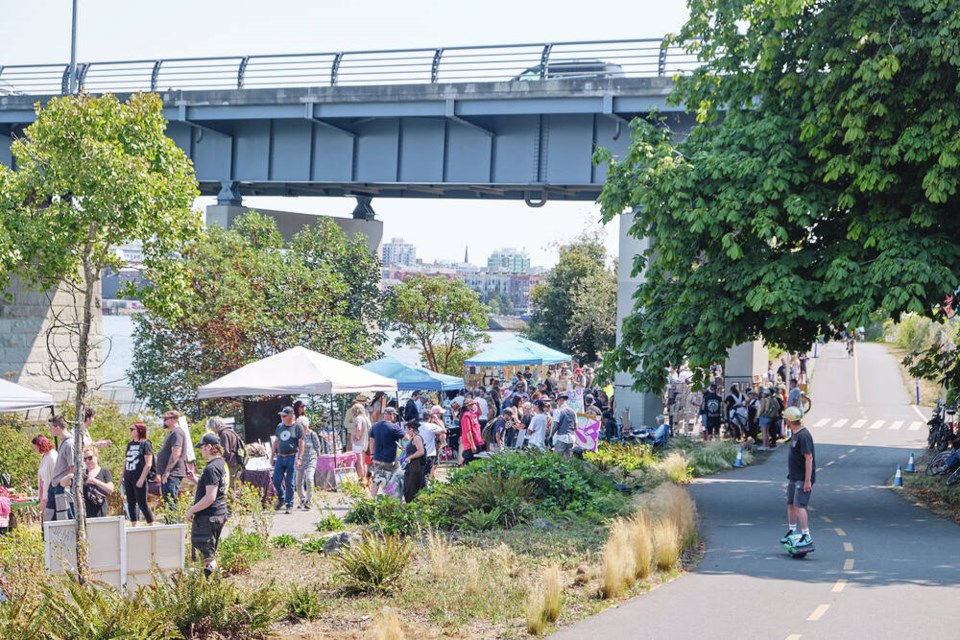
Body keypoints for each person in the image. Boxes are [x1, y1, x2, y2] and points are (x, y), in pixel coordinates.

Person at [185, 433, 229, 576]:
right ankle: (211, 585)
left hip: (208, 516)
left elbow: (210, 496)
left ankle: (210, 587)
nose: (201, 450)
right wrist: (196, 480)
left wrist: (192, 510)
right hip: (219, 512)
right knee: (210, 553)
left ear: (210, 447)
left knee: (206, 557)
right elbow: (216, 487)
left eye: (202, 447)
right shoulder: (221, 463)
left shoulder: (211, 468)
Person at [780, 407, 815, 548]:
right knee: (790, 504)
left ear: (789, 420)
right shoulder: (795, 434)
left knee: (799, 506)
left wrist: (807, 481)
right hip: (793, 477)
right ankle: (792, 531)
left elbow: (808, 458)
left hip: (802, 477)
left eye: (785, 418)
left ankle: (806, 535)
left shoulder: (804, 435)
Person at [271, 406, 304, 514]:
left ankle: (289, 504)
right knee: (276, 479)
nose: (282, 418)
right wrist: (272, 456)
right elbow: (276, 441)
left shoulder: (297, 427)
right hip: (280, 456)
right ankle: (281, 497)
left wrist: (299, 458)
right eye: (281, 416)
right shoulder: (280, 426)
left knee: (290, 482)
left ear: (290, 416)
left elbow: (301, 442)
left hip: (292, 456)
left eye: (284, 416)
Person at [123, 422, 155, 526]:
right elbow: (126, 461)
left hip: (139, 476)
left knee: (142, 503)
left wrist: (142, 479)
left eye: (132, 429)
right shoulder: (130, 444)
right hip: (128, 476)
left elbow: (148, 464)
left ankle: (151, 525)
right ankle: (134, 526)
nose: (130, 431)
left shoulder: (146, 444)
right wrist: (121, 477)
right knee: (130, 502)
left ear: (139, 431)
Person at [369, 407, 405, 497]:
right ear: (391, 415)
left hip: (377, 458)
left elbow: (371, 440)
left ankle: (371, 498)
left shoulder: (375, 426)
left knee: (377, 477)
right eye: (394, 415)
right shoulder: (394, 427)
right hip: (390, 459)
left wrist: (372, 454)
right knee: (396, 474)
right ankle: (391, 496)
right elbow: (406, 437)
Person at [157, 410, 187, 511]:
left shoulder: (177, 433)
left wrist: (167, 471)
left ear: (174, 420)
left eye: (166, 419)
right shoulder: (171, 433)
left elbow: (176, 453)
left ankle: (173, 525)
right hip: (168, 474)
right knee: (167, 502)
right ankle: (170, 524)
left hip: (173, 473)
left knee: (171, 502)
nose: (164, 421)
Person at [47, 415, 76, 521]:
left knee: (64, 516)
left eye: (51, 427)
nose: (50, 430)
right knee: (50, 516)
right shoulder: (62, 441)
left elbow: (72, 466)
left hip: (62, 485)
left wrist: (65, 484)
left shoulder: (69, 443)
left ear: (57, 427)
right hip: (55, 483)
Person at [209, 416, 243, 494]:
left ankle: (230, 504)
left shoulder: (224, 434)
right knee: (233, 485)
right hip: (235, 462)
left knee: (229, 486)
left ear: (215, 426)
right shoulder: (230, 431)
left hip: (230, 464)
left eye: (212, 428)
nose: (212, 430)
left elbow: (225, 452)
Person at [295, 411, 322, 510]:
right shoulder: (297, 435)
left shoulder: (312, 434)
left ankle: (309, 500)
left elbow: (318, 447)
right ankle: (302, 499)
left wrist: (317, 457)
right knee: (298, 482)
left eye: (304, 426)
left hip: (311, 459)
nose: (303, 428)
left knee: (309, 479)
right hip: (300, 460)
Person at [81, 446, 114, 519]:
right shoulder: (82, 474)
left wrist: (94, 481)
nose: (87, 461)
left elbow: (110, 489)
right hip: (85, 514)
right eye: (85, 459)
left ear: (97, 457)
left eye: (90, 458)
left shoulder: (104, 472)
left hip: (100, 512)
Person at [31, 435, 57, 521]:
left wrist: (45, 497)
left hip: (50, 494)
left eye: (35, 448)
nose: (35, 450)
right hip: (44, 493)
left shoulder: (52, 457)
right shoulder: (44, 456)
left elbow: (53, 480)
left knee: (49, 519)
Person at [402, 420, 426, 502]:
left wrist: (410, 457)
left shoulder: (417, 438)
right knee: (408, 487)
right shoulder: (413, 439)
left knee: (412, 487)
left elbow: (421, 451)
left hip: (416, 466)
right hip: (411, 467)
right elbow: (413, 449)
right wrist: (404, 449)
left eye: (407, 430)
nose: (406, 432)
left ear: (411, 429)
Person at [349, 403, 372, 486]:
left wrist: (357, 436)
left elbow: (358, 428)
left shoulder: (358, 418)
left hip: (358, 442)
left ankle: (360, 479)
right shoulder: (366, 418)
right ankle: (365, 479)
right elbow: (370, 428)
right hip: (365, 442)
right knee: (364, 461)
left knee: (359, 461)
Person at [421, 407, 447, 479]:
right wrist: (437, 420)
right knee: (433, 464)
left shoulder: (423, 425)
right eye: (439, 413)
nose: (441, 414)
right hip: (434, 446)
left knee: (434, 464)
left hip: (433, 445)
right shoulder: (433, 424)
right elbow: (443, 431)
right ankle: (430, 478)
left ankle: (431, 478)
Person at [460, 398, 484, 465]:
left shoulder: (473, 414)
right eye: (471, 405)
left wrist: (478, 405)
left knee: (478, 462)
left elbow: (480, 413)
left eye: (473, 404)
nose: (473, 406)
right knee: (470, 463)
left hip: (477, 442)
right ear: (467, 407)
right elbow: (468, 431)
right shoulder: (466, 416)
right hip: (470, 444)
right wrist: (472, 445)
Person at [553, 393, 577, 458]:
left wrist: (551, 436)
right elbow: (576, 427)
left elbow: (555, 426)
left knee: (557, 458)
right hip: (571, 438)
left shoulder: (558, 411)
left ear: (560, 400)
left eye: (557, 401)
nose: (557, 403)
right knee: (568, 459)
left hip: (562, 437)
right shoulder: (573, 411)